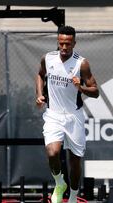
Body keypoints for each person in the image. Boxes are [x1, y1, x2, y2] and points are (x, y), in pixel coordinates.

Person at [35, 26, 99, 203]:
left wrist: (81, 87)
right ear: (58, 42)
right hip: (53, 115)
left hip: (74, 116)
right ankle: (59, 182)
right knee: (53, 152)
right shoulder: (48, 58)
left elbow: (96, 91)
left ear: (74, 43)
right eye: (61, 43)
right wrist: (40, 95)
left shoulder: (81, 63)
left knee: (75, 160)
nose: (64, 47)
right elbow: (40, 75)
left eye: (68, 44)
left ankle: (72, 196)